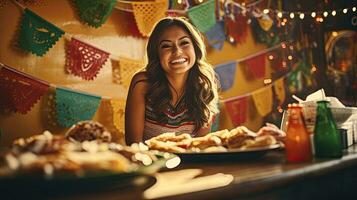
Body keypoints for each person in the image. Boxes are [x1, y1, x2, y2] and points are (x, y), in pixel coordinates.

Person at [125, 17, 220, 145]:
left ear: (195, 48)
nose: (177, 51)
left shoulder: (204, 86)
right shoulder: (142, 83)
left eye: (184, 43)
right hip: (150, 162)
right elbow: (133, 144)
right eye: (166, 46)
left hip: (189, 163)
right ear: (156, 54)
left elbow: (199, 147)